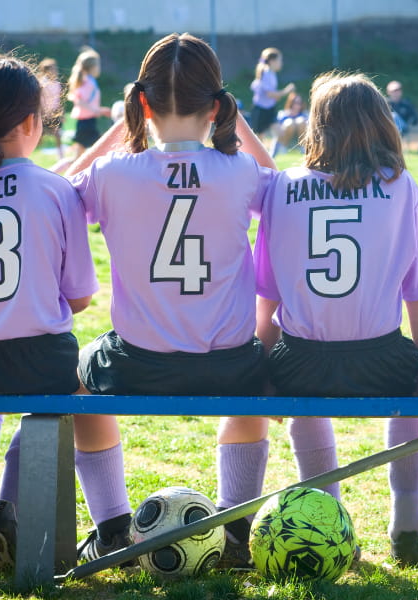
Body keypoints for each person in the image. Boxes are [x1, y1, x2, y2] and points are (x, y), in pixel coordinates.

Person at [218, 72, 418, 569]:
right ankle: (409, 520)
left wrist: (264, 375)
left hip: (303, 365)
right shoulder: (400, 187)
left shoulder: (284, 189)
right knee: (410, 385)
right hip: (382, 361)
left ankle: (329, 509)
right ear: (380, 126)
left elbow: (268, 304)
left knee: (305, 377)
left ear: (316, 128)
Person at [65, 32, 277, 561]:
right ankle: (236, 530)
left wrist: (121, 126)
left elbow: (60, 193)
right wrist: (236, 119)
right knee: (257, 381)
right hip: (227, 361)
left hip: (137, 361)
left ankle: (112, 528)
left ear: (142, 102)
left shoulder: (112, 172)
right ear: (215, 107)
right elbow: (283, 188)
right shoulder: (240, 170)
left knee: (74, 378)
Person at [0, 54, 129, 575]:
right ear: (28, 124)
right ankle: (6, 507)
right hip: (38, 353)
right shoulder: (57, 191)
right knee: (54, 402)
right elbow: (81, 296)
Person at [68, 47, 111, 161]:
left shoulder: (88, 81)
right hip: (86, 123)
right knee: (100, 148)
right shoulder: (88, 82)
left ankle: (70, 173)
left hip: (86, 122)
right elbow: (79, 100)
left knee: (79, 156)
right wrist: (95, 111)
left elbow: (86, 102)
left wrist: (99, 110)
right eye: (98, 65)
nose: (99, 68)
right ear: (92, 67)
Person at [250, 47, 295, 139]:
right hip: (261, 110)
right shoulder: (266, 73)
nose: (281, 63)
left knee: (280, 133)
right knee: (259, 138)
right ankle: (262, 153)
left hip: (270, 109)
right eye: (279, 60)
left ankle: (272, 152)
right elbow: (270, 94)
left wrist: (276, 96)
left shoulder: (272, 74)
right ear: (272, 61)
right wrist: (286, 91)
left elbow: (272, 94)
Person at [38, 57, 65, 159]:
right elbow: (39, 100)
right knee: (39, 138)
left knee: (57, 134)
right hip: (43, 115)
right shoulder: (42, 84)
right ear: (46, 71)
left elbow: (58, 101)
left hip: (54, 114)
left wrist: (61, 113)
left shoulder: (57, 84)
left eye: (55, 69)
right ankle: (33, 153)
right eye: (53, 69)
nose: (55, 71)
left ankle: (61, 156)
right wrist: (43, 112)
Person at [271, 91, 308, 156]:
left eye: (299, 103)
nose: (297, 105)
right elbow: (277, 130)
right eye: (294, 103)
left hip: (298, 140)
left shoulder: (304, 115)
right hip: (285, 140)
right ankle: (283, 147)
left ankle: (303, 148)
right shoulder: (283, 114)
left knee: (301, 121)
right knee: (289, 123)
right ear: (290, 103)